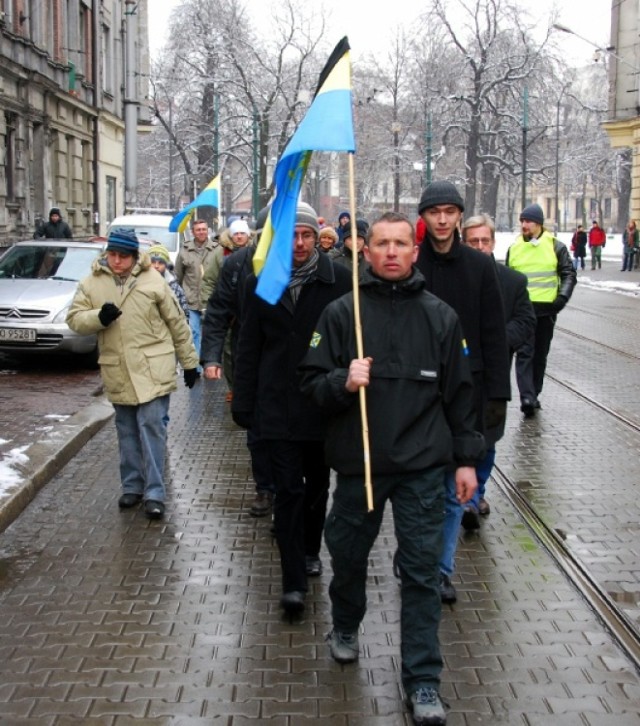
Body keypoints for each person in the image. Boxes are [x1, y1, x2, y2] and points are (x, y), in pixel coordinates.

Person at [299, 211, 484, 726]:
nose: (392, 252)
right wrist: (342, 379)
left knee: (422, 574)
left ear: (415, 250)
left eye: (401, 243)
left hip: (424, 468)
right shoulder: (342, 314)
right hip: (360, 467)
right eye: (382, 243)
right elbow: (310, 385)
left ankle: (423, 681)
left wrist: (466, 460)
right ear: (367, 250)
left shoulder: (441, 317)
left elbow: (460, 396)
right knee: (349, 556)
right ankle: (345, 623)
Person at [231, 202, 352, 617]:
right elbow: (248, 346)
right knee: (288, 492)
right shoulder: (260, 282)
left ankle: (311, 549)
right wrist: (243, 401)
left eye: (305, 235)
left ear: (316, 235)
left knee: (318, 486)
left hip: (321, 404)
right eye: (291, 236)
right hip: (276, 405)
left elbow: (352, 343)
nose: (299, 244)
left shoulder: (340, 280)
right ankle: (293, 581)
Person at [414, 180, 510, 604]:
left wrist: (496, 395)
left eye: (450, 211)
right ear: (424, 216)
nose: (441, 219)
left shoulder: (479, 266)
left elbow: (493, 331)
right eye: (434, 212)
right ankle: (417, 561)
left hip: (466, 388)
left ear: (458, 216)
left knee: (456, 485)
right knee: (419, 487)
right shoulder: (412, 262)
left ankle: (440, 570)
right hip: (415, 390)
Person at [66, 228, 199, 520]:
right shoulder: (92, 283)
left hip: (154, 366)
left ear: (134, 256)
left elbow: (177, 323)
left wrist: (190, 363)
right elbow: (74, 318)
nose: (116, 261)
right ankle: (132, 486)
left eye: (123, 256)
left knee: (152, 428)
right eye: (112, 254)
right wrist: (98, 317)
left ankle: (155, 492)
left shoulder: (154, 281)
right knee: (126, 430)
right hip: (118, 368)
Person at [460, 215, 536, 528]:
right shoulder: (454, 277)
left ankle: (475, 496)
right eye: (472, 241)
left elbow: (526, 320)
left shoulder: (512, 282)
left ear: (493, 242)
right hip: (458, 372)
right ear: (463, 242)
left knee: (487, 439)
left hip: (492, 375)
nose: (479, 246)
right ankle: (461, 494)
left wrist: (499, 340)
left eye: (484, 241)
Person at [201, 207, 276, 519]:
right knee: (257, 429)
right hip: (249, 357)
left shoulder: (302, 265)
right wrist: (211, 357)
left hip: (291, 361)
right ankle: (264, 487)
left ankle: (289, 491)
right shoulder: (236, 265)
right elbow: (218, 310)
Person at [506, 203, 576, 417]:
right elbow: (507, 279)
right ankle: (527, 397)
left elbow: (568, 274)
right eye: (522, 221)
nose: (524, 225)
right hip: (523, 312)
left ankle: (534, 392)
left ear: (539, 224)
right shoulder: (514, 247)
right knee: (525, 353)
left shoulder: (556, 246)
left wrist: (561, 298)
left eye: (528, 221)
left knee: (540, 355)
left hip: (546, 311)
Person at [174, 218, 219, 362]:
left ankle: (210, 360)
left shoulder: (217, 249)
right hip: (191, 300)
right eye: (198, 230)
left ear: (208, 231)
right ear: (193, 232)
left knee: (211, 332)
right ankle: (198, 364)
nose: (201, 232)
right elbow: (178, 275)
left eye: (204, 229)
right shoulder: (184, 250)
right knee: (193, 332)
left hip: (211, 300)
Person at [148, 243, 190, 318]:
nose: (156, 266)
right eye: (153, 262)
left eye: (160, 263)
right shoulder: (140, 283)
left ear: (166, 265)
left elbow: (184, 313)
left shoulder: (174, 287)